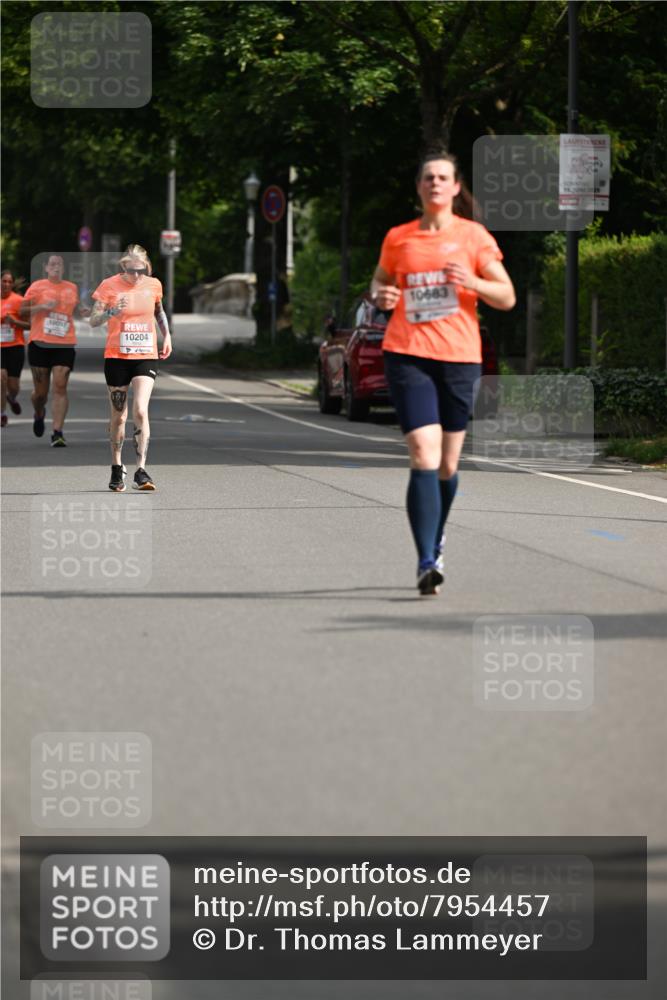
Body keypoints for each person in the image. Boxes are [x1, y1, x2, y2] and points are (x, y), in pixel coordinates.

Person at [372, 150, 515, 595]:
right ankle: (426, 560)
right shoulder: (399, 238)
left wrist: (472, 283)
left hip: (459, 357)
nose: (435, 183)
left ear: (455, 188)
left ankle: (436, 534)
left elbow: (506, 296)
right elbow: (378, 282)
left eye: (443, 178)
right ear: (419, 187)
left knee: (448, 465)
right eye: (428, 177)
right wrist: (381, 296)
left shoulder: (474, 237)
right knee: (422, 451)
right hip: (407, 352)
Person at [88, 244, 172, 492]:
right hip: (117, 356)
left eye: (141, 269)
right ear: (123, 266)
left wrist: (167, 336)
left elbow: (159, 311)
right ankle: (116, 467)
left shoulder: (154, 284)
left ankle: (141, 470)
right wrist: (114, 310)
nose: (137, 275)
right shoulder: (109, 285)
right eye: (132, 270)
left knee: (141, 411)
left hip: (145, 354)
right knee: (119, 415)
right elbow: (94, 320)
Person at [20, 254, 85, 446]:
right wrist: (41, 306)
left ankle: (57, 432)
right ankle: (39, 413)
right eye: (53, 264)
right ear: (47, 268)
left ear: (63, 269)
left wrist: (84, 311)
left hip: (64, 343)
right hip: (40, 342)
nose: (56, 267)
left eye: (60, 264)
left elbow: (77, 310)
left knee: (60, 386)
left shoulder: (71, 288)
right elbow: (22, 311)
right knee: (40, 394)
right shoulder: (37, 286)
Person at [1, 270, 30, 427]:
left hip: (15, 346)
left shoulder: (19, 301)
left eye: (9, 282)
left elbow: (30, 324)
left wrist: (14, 322)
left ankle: (11, 398)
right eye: (3, 281)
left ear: (12, 284)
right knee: (1, 377)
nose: (6, 284)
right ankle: (2, 414)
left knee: (13, 386)